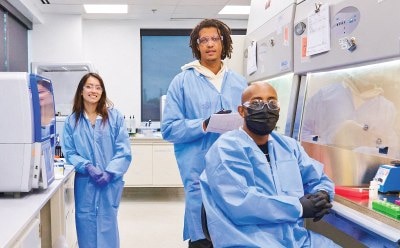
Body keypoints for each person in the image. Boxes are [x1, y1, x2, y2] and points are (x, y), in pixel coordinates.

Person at [199, 82, 340, 247]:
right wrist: (299, 207)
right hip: (249, 240)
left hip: (294, 238)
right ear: (242, 111)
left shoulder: (288, 146)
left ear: (278, 109)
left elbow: (317, 177)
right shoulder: (227, 148)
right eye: (256, 103)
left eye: (272, 103)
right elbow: (241, 204)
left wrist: (322, 193)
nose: (265, 109)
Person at [161, 19, 247, 247]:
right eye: (204, 40)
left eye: (215, 39)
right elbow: (169, 129)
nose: (210, 44)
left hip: (235, 174)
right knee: (203, 237)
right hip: (199, 174)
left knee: (234, 236)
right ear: (197, 46)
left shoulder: (240, 83)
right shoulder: (181, 82)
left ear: (223, 43)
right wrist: (204, 124)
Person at [62, 72, 132, 248]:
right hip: (85, 182)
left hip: (109, 182)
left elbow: (123, 150)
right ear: (81, 91)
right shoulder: (72, 122)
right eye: (89, 86)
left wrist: (110, 172)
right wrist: (86, 166)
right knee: (85, 223)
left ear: (102, 92)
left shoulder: (114, 117)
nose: (94, 90)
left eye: (98, 87)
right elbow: (69, 152)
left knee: (108, 222)